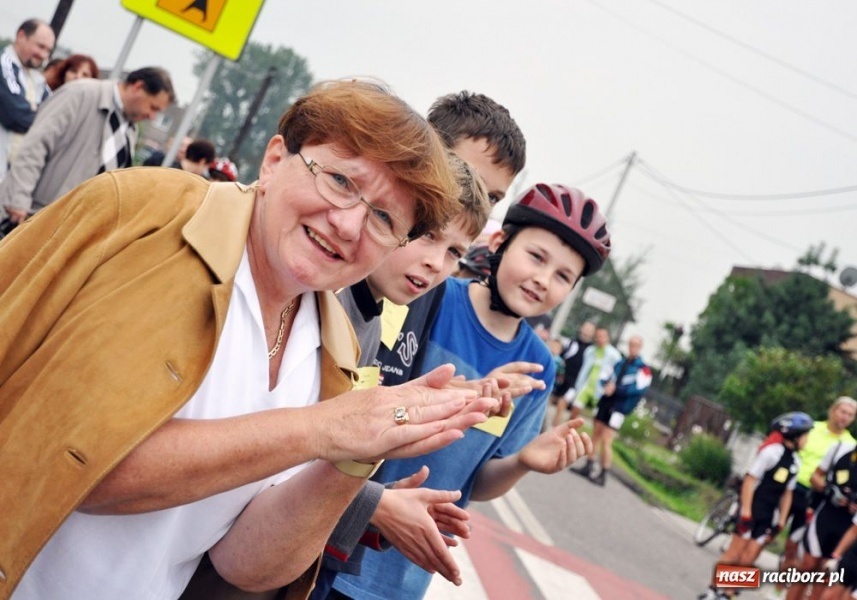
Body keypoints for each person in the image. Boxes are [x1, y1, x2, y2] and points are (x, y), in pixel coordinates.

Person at [0, 78, 499, 600]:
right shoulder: (141, 215)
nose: (350, 225)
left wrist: (358, 453)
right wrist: (320, 429)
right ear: (275, 159)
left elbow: (245, 564)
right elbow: (76, 467)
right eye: (340, 181)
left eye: (383, 218)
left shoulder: (336, 347)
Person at [331, 183, 611, 600]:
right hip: (342, 534)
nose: (542, 279)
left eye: (563, 276)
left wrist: (522, 463)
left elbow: (477, 483)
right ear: (499, 244)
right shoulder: (427, 296)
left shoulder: (538, 366)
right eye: (536, 257)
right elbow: (359, 403)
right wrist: (464, 395)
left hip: (404, 576)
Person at [374, 90, 525, 388]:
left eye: (493, 197)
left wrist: (462, 397)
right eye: (464, 177)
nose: (475, 201)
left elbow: (399, 393)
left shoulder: (431, 287)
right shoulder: (342, 266)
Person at [0, 66, 174, 225]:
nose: (152, 116)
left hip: (65, 227)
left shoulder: (130, 130)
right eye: (153, 107)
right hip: (29, 215)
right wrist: (18, 198)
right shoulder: (80, 93)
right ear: (138, 87)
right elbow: (36, 146)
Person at [698, 412, 813, 600]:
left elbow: (787, 493)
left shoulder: (795, 462)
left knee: (749, 558)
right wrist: (745, 511)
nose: (807, 440)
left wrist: (782, 520)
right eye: (805, 435)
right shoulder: (771, 453)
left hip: (769, 515)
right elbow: (750, 480)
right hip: (752, 509)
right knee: (733, 554)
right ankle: (712, 589)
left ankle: (728, 593)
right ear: (794, 435)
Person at [779, 397, 857, 587]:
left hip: (815, 496)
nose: (845, 417)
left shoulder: (849, 443)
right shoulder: (812, 428)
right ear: (833, 411)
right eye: (842, 412)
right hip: (791, 486)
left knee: (795, 543)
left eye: (850, 415)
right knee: (770, 531)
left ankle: (785, 583)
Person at [576, 335, 652, 485]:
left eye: (636, 345)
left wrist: (617, 389)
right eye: (631, 344)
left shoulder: (643, 369)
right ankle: (589, 464)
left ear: (640, 347)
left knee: (607, 439)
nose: (632, 348)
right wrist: (606, 385)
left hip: (620, 407)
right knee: (596, 433)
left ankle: (603, 472)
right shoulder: (619, 362)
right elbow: (605, 375)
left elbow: (639, 388)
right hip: (606, 401)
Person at [0, 18, 55, 181]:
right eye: (40, 46)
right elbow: (16, 115)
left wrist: (31, 108)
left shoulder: (37, 80)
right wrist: (39, 112)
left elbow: (57, 117)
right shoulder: (4, 64)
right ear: (21, 36)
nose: (43, 55)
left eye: (48, 50)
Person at [566, 326, 622, 420]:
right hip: (587, 385)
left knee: (596, 418)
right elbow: (584, 369)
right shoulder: (590, 351)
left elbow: (616, 373)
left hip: (601, 389)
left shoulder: (615, 355)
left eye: (602, 336)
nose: (600, 339)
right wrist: (578, 384)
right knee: (574, 410)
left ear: (608, 337)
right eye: (598, 336)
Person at [550, 320, 596, 427]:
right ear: (581, 328)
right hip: (562, 379)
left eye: (590, 330)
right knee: (553, 401)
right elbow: (561, 356)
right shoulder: (571, 343)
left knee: (562, 403)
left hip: (575, 383)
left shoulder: (592, 350)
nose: (586, 331)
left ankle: (555, 428)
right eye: (585, 328)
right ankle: (551, 426)